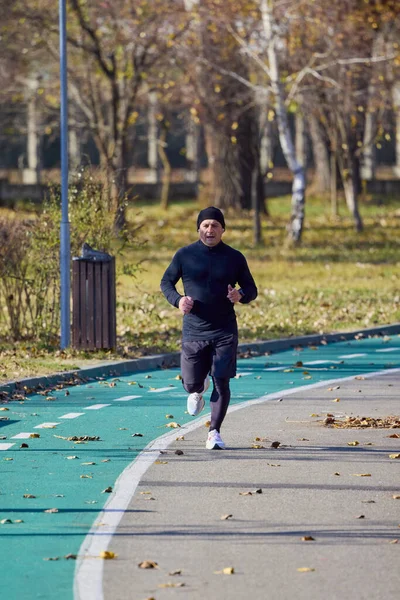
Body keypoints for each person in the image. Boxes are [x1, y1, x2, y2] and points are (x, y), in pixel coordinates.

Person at [160, 206, 258, 450]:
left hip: (224, 329)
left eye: (215, 225)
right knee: (191, 384)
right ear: (198, 229)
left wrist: (240, 294)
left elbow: (251, 289)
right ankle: (197, 387)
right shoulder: (185, 255)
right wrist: (178, 300)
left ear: (223, 229)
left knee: (222, 380)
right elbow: (166, 282)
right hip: (194, 330)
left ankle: (214, 432)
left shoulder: (235, 257)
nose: (210, 229)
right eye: (205, 225)